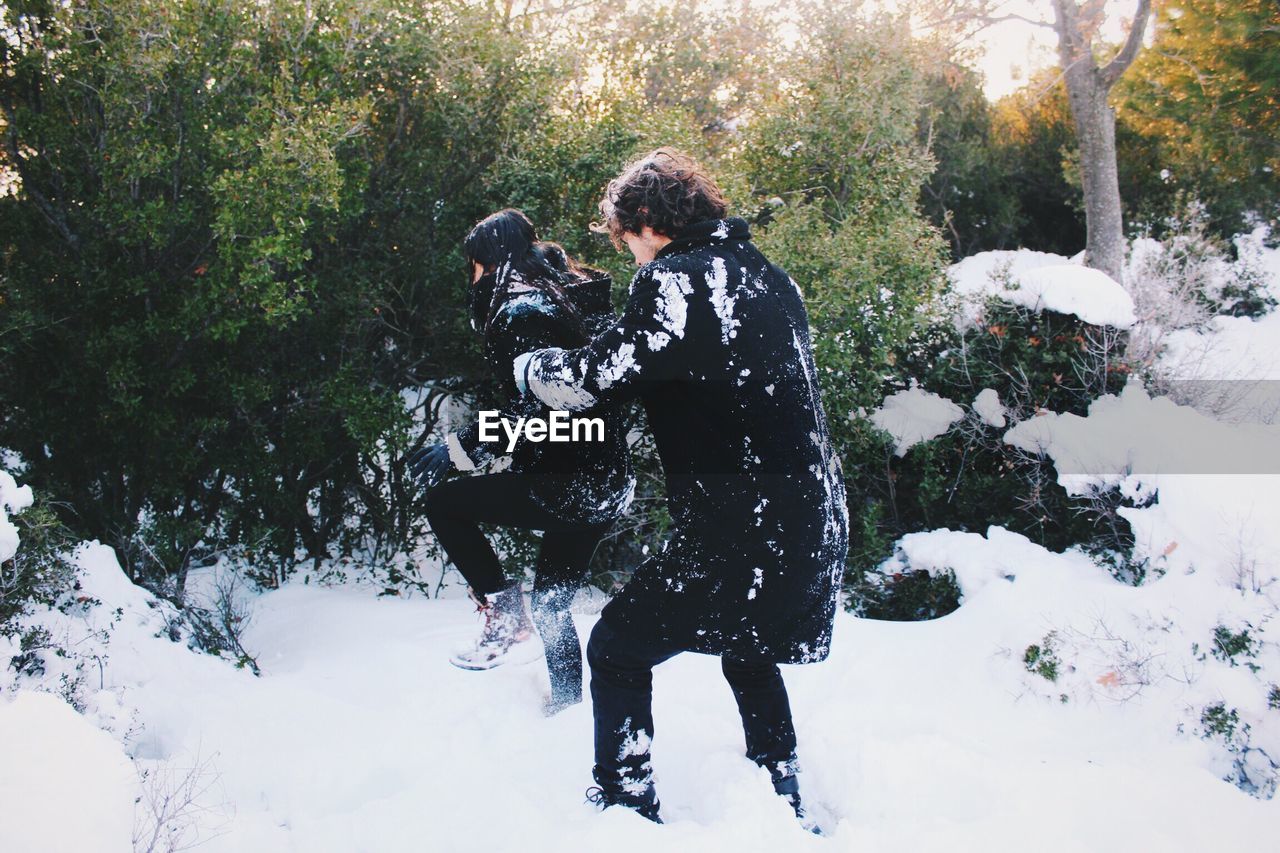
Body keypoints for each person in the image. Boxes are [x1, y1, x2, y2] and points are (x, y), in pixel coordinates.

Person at [513, 150, 848, 825]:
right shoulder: (770, 278)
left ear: (645, 221)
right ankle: (782, 793)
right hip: (813, 514)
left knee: (613, 648)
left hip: (741, 523)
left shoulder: (672, 279)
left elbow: (593, 380)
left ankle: (626, 805)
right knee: (747, 645)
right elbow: (699, 360)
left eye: (624, 237)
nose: (627, 252)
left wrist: (532, 368)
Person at [409, 208, 634, 715]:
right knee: (554, 603)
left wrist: (457, 449)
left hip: (567, 483)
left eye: (473, 265)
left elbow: (534, 408)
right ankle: (569, 707)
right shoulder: (569, 298)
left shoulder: (523, 313)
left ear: (489, 263)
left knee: (445, 505)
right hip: (605, 480)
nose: (472, 277)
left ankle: (505, 617)